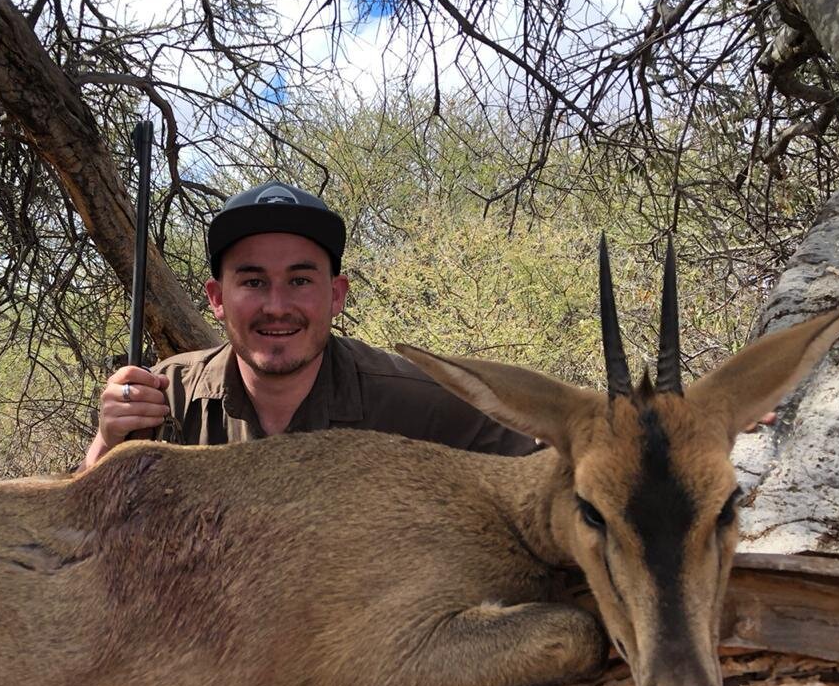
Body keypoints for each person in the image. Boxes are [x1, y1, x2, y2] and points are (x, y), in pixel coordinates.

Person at [82, 180, 536, 469]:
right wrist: (107, 440)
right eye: (254, 281)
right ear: (217, 299)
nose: (277, 306)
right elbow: (75, 537)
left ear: (335, 295)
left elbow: (544, 481)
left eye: (300, 280)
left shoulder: (420, 399)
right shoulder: (165, 396)